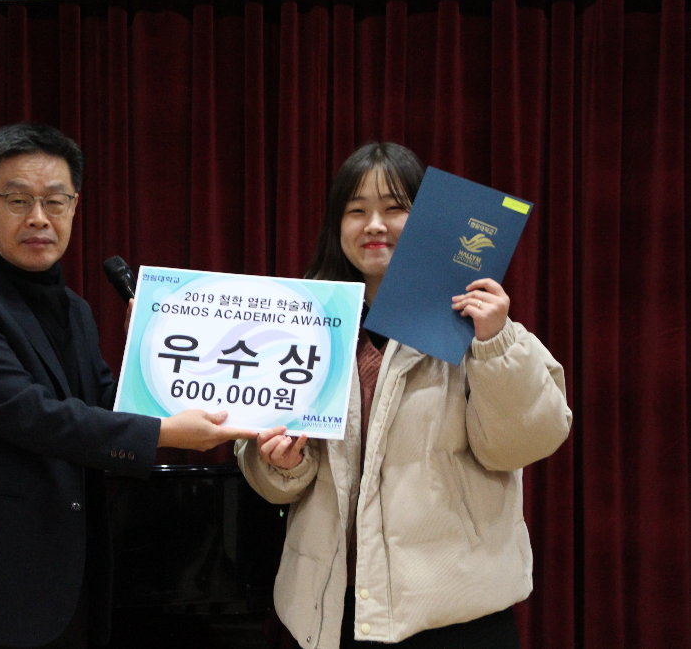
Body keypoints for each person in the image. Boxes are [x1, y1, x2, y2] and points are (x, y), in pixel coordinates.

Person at [0, 123, 254, 649]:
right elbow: (31, 414)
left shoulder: (75, 310)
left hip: (61, 595)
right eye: (19, 200)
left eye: (56, 201)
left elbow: (105, 402)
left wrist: (156, 357)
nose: (40, 218)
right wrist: (162, 434)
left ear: (74, 207)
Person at [236, 143, 573, 648]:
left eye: (395, 208)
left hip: (455, 618)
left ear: (429, 220)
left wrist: (496, 343)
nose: (375, 225)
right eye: (356, 210)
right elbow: (269, 480)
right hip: (331, 614)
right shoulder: (302, 326)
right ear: (337, 226)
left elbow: (524, 442)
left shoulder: (479, 329)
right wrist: (283, 465)